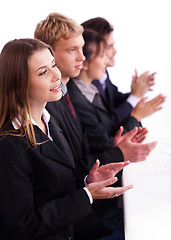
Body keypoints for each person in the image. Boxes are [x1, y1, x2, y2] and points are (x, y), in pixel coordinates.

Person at [0, 38, 134, 240]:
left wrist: (88, 181)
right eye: (43, 71)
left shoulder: (50, 121)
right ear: (19, 84)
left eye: (53, 64)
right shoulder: (9, 144)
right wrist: (86, 195)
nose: (57, 75)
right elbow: (22, 227)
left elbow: (52, 188)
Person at [67, 28, 163, 155]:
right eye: (101, 55)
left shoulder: (91, 88)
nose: (106, 61)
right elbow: (106, 141)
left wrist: (137, 93)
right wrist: (136, 115)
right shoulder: (77, 98)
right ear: (84, 62)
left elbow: (108, 121)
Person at [81, 17, 165, 128]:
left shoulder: (103, 74)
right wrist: (135, 98)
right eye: (110, 47)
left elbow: (113, 99)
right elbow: (108, 122)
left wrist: (137, 90)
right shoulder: (86, 81)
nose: (115, 51)